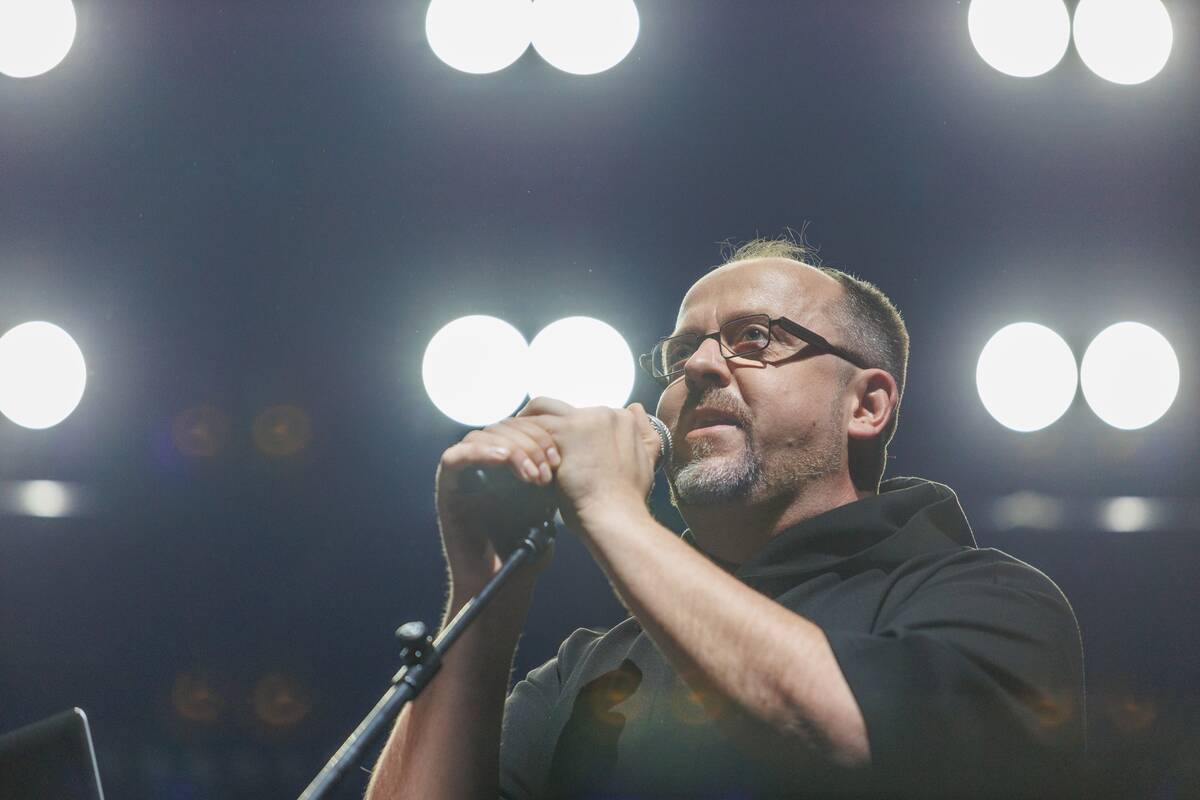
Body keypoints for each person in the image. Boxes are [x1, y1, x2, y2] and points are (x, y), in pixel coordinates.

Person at [364, 238, 1086, 799]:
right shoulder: (594, 667)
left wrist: (612, 508)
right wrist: (484, 591)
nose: (701, 367)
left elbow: (857, 741)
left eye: (755, 338)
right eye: (682, 352)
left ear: (866, 405)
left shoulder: (990, 598)